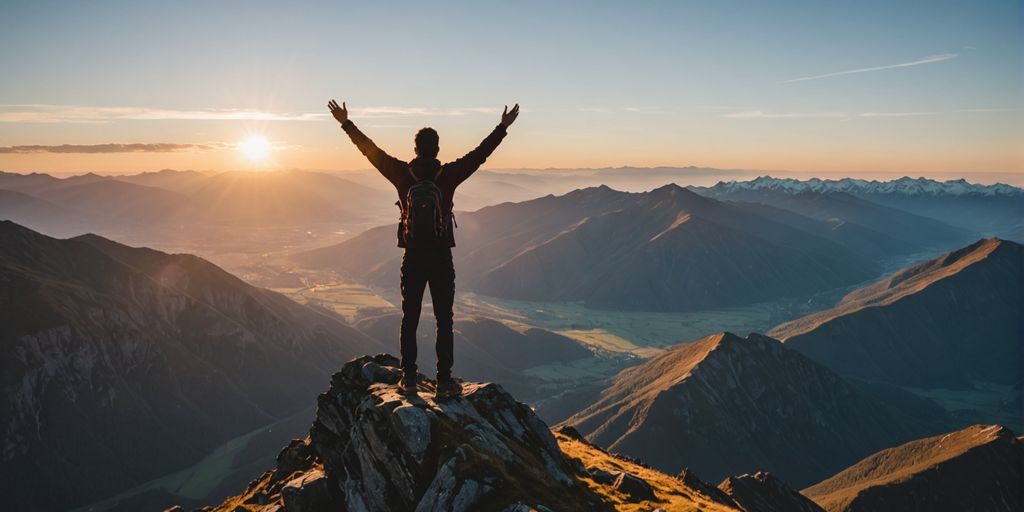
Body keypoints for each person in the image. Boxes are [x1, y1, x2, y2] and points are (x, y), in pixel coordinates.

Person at [328, 99, 519, 397]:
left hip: (413, 256)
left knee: (410, 317)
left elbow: (370, 151)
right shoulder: (449, 175)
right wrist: (503, 127)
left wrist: (346, 123)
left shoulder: (402, 174)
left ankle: (409, 379)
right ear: (438, 149)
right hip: (442, 256)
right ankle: (444, 382)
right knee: (445, 319)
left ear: (415, 149)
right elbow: (480, 155)